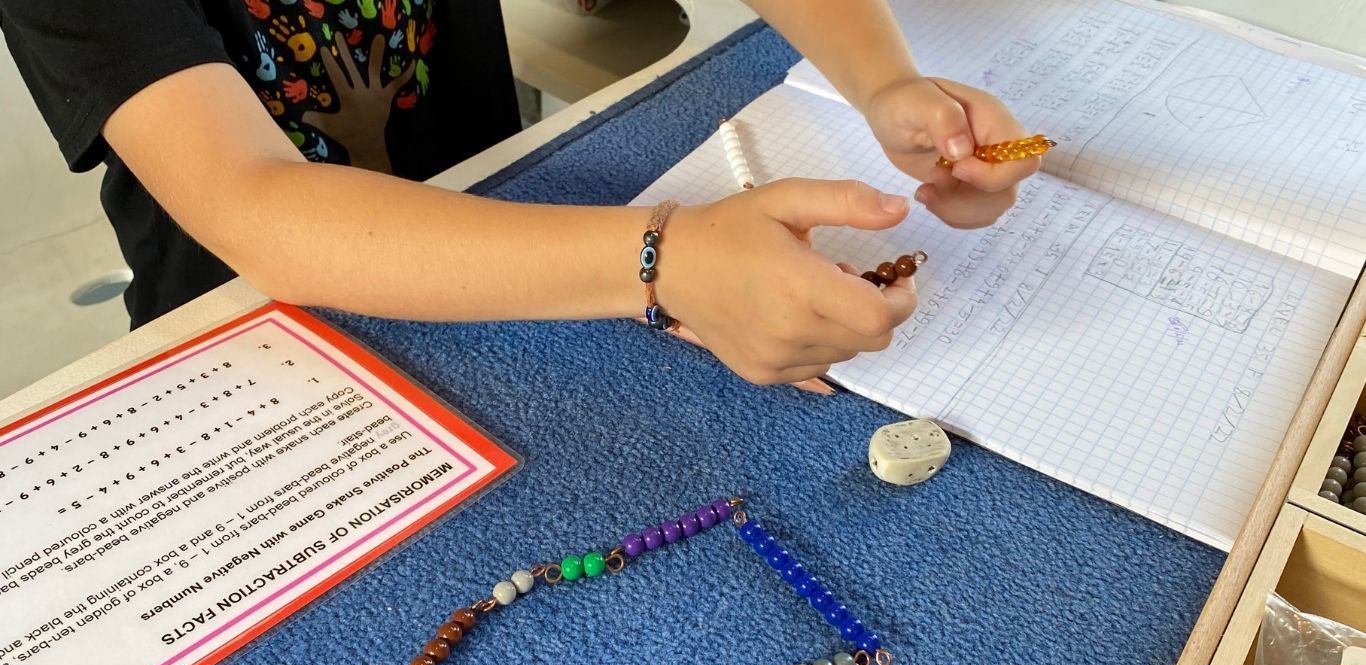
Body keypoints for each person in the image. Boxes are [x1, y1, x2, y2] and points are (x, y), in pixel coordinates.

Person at [0, 0, 1038, 385]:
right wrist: (661, 258)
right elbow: (256, 206)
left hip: (527, 266)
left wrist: (885, 79)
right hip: (258, 343)